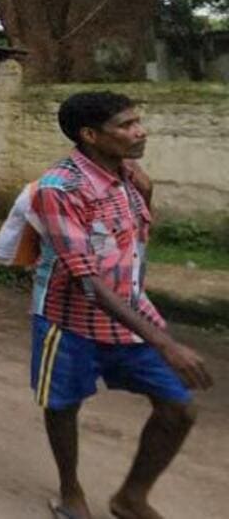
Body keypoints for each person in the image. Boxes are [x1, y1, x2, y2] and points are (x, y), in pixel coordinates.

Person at [31, 92, 212, 519]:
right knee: (63, 405)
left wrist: (146, 191)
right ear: (90, 135)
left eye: (138, 121)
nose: (140, 131)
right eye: (127, 125)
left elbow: (132, 245)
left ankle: (131, 498)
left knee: (179, 408)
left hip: (131, 313)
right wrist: (167, 344)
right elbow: (89, 282)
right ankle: (70, 489)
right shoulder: (59, 189)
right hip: (69, 320)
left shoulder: (130, 174)